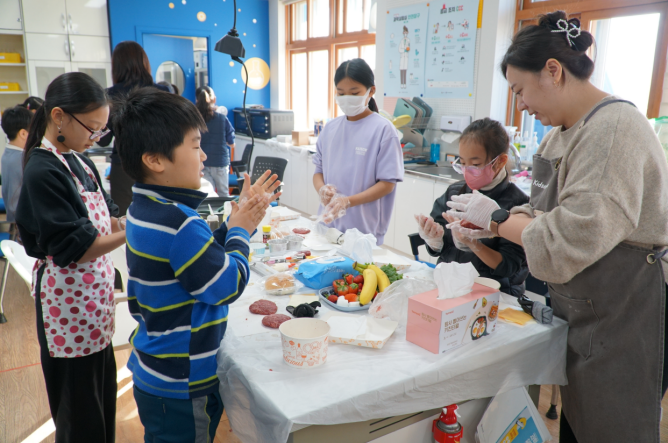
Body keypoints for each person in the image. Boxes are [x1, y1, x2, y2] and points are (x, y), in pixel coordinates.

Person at [446, 11, 668, 443]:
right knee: (578, 423)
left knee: (612, 428)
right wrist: (492, 227)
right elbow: (537, 215)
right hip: (582, 309)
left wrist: (495, 217)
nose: (521, 104)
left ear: (553, 71)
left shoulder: (614, 130)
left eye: (520, 90)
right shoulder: (557, 136)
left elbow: (567, 239)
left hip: (626, 313)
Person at [112, 87, 281, 442]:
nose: (204, 155)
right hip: (181, 382)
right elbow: (226, 285)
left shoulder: (143, 209)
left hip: (155, 370)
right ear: (155, 160)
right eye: (194, 145)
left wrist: (233, 223)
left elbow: (194, 265)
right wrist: (240, 231)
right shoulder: (181, 223)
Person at [15, 72, 125, 443]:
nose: (96, 138)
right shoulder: (42, 169)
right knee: (78, 412)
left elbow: (106, 215)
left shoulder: (80, 160)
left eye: (101, 131)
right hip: (67, 303)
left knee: (101, 396)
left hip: (93, 300)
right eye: (92, 128)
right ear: (59, 116)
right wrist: (132, 234)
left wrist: (133, 219)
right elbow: (76, 246)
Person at [416, 118, 529, 296]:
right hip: (451, 286)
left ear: (499, 162)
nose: (468, 170)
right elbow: (441, 245)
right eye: (462, 162)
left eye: (475, 165)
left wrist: (474, 245)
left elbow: (508, 266)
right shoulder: (455, 192)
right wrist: (434, 240)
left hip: (493, 294)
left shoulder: (518, 204)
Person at [312, 58, 403, 245]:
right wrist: (321, 188)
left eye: (354, 93)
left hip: (363, 233)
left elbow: (387, 184)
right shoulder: (330, 129)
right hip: (328, 227)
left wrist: (348, 201)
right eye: (341, 93)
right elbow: (318, 171)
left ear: (371, 91)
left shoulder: (384, 131)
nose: (347, 99)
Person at [97, 40, 171, 216]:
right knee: (163, 219)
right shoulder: (163, 92)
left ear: (117, 67)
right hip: (159, 164)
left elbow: (103, 139)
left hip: (124, 168)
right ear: (144, 62)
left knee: (126, 223)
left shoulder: (108, 95)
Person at [196, 85, 235, 196]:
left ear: (197, 100)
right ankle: (227, 213)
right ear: (213, 100)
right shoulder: (222, 119)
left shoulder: (194, 120)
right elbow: (231, 143)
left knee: (208, 194)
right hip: (220, 163)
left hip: (202, 163)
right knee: (223, 193)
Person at [1, 105, 32, 222]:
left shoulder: (8, 153)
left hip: (14, 217)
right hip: (23, 223)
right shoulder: (23, 158)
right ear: (23, 134)